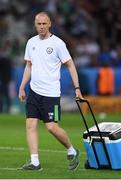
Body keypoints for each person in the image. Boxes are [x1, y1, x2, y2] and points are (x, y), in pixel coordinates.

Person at [18, 12, 83, 171]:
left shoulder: (58, 43)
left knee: (51, 127)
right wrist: (22, 86)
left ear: (50, 24)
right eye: (39, 24)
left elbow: (70, 65)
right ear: (35, 24)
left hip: (51, 94)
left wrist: (77, 89)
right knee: (30, 125)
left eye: (44, 24)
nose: (41, 27)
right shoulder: (31, 42)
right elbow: (28, 66)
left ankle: (71, 150)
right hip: (34, 91)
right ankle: (35, 162)